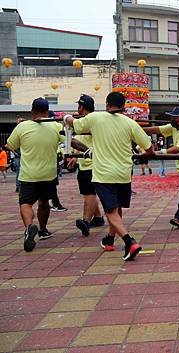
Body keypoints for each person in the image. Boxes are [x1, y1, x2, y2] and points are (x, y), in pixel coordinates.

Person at [64, 91, 153, 260]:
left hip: (104, 174)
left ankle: (129, 241)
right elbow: (148, 147)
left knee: (110, 210)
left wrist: (67, 117)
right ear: (124, 107)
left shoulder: (95, 118)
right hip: (124, 173)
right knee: (117, 207)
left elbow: (75, 124)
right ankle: (110, 239)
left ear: (106, 105)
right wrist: (148, 154)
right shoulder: (130, 123)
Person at [6, 98, 63, 251]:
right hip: (49, 174)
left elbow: (9, 145)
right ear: (47, 111)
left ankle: (29, 227)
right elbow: (69, 141)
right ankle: (43, 230)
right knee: (44, 203)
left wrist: (19, 153)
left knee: (25, 203)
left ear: (32, 112)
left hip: (28, 175)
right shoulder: (56, 126)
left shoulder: (22, 127)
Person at [69, 95, 105, 237]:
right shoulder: (83, 123)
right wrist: (75, 157)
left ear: (82, 107)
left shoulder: (89, 121)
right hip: (84, 163)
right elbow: (80, 141)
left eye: (79, 106)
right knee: (88, 193)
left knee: (89, 194)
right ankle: (97, 218)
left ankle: (85, 221)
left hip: (91, 164)